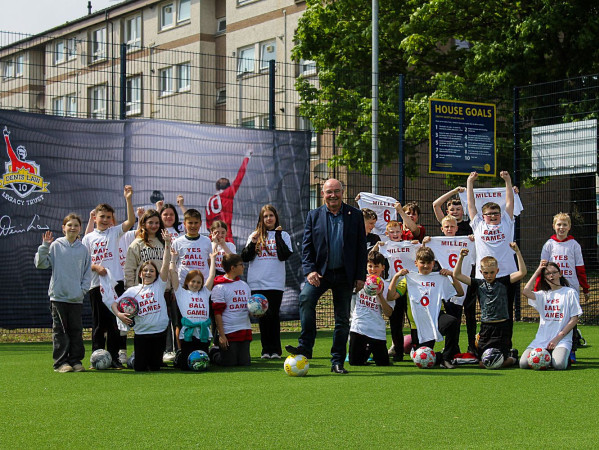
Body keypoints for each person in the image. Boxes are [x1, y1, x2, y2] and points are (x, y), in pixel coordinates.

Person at [285, 178, 367, 374]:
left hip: (345, 275)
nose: (333, 195)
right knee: (305, 298)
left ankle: (337, 361)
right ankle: (305, 347)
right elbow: (307, 247)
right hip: (320, 274)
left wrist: (360, 276)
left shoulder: (355, 215)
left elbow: (360, 248)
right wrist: (310, 270)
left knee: (341, 319)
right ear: (323, 194)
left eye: (336, 191)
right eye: (329, 192)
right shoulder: (313, 216)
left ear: (342, 192)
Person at [82, 186, 135, 369]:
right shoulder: (88, 238)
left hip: (115, 283)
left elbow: (130, 221)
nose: (104, 220)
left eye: (108, 217)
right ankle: (96, 356)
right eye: (101, 216)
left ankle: (113, 358)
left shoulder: (114, 233)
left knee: (114, 322)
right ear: (95, 218)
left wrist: (128, 199)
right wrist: (96, 267)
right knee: (99, 323)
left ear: (111, 220)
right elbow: (83, 262)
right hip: (96, 284)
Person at [388, 247, 464, 369]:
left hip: (435, 318)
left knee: (452, 322)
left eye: (429, 263)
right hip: (418, 326)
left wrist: (452, 275)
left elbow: (460, 293)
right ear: (416, 263)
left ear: (433, 263)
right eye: (422, 262)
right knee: (422, 360)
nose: (425, 266)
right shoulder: (408, 279)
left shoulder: (439, 277)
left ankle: (446, 358)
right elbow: (391, 297)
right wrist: (396, 276)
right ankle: (437, 356)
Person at [34, 214, 92, 373]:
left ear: (80, 228)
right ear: (63, 228)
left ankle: (75, 361)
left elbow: (87, 273)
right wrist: (44, 246)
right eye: (69, 225)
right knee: (60, 331)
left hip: (76, 299)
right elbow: (41, 264)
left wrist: (82, 291)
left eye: (76, 225)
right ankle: (60, 363)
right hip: (58, 297)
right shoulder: (55, 246)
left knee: (76, 331)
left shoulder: (83, 249)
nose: (72, 228)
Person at [453, 244, 526, 368]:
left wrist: (517, 252)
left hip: (502, 326)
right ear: (481, 272)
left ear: (497, 271)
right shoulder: (478, 283)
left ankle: (512, 357)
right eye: (486, 273)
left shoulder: (504, 281)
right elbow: (457, 275)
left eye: (492, 272)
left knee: (501, 362)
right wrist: (461, 257)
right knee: (483, 363)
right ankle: (481, 344)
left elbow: (522, 272)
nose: (489, 275)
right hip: (486, 326)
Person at [467, 170, 518, 343]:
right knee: (486, 313)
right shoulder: (478, 225)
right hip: (484, 277)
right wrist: (470, 183)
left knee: (507, 312)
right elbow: (471, 204)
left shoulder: (506, 222)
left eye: (496, 213)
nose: (494, 216)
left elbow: (510, 202)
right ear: (484, 216)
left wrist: (508, 181)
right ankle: (485, 344)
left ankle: (506, 344)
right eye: (490, 214)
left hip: (506, 275)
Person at [112, 229, 173, 372]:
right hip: (141, 334)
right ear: (140, 274)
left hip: (159, 333)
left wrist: (168, 244)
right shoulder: (133, 291)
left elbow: (165, 264)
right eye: (145, 270)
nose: (148, 273)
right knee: (140, 368)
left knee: (155, 367)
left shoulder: (159, 285)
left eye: (152, 271)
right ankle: (135, 358)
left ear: (156, 274)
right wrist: (119, 314)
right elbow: (115, 303)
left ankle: (149, 358)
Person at [241, 205, 293, 359]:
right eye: (265, 216)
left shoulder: (283, 235)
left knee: (274, 316)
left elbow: (284, 255)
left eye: (271, 215)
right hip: (257, 283)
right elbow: (244, 257)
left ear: (276, 217)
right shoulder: (254, 235)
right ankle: (266, 350)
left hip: (275, 283)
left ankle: (275, 350)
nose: (269, 218)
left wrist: (277, 235)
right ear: (261, 219)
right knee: (262, 316)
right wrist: (253, 243)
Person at [538, 212, 589, 362]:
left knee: (571, 320)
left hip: (571, 289)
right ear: (554, 226)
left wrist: (585, 288)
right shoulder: (549, 244)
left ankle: (571, 350)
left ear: (569, 227)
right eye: (559, 224)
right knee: (554, 317)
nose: (561, 227)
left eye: (564, 225)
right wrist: (538, 288)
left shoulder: (574, 245)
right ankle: (549, 345)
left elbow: (580, 268)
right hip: (553, 289)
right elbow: (542, 268)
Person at [422, 215, 477, 353]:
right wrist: (424, 244)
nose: (449, 229)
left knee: (471, 315)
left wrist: (474, 240)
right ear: (442, 228)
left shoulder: (467, 241)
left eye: (452, 226)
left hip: (465, 281)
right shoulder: (436, 242)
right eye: (446, 227)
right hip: (447, 284)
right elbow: (424, 257)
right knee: (454, 318)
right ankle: (453, 348)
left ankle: (472, 347)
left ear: (457, 228)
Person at [521, 261, 583, 370]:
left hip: (561, 340)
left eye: (554, 272)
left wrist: (557, 339)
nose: (551, 275)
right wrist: (537, 271)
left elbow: (574, 319)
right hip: (541, 339)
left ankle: (560, 356)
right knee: (523, 363)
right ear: (544, 278)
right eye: (548, 274)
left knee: (559, 365)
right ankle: (548, 355)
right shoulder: (543, 294)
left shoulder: (570, 293)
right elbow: (526, 291)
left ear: (560, 274)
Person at [373, 220, 420, 361]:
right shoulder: (385, 246)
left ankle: (417, 349)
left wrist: (420, 244)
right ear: (387, 234)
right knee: (395, 320)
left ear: (402, 232)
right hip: (394, 286)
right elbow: (371, 257)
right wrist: (377, 246)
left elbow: (426, 251)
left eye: (397, 231)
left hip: (411, 285)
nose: (395, 234)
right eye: (391, 232)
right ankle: (398, 351)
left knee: (414, 319)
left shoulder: (411, 245)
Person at [170, 246, 217, 370]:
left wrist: (212, 259)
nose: (195, 284)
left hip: (203, 333)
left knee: (203, 364)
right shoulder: (181, 293)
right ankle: (179, 358)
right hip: (188, 334)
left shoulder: (205, 293)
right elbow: (173, 273)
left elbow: (212, 276)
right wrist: (173, 259)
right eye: (193, 281)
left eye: (198, 282)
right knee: (186, 365)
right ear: (187, 282)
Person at [349, 251, 394, 366]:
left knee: (383, 363)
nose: (373, 269)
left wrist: (380, 295)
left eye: (376, 266)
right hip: (358, 327)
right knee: (355, 363)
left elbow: (388, 313)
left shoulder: (387, 286)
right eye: (370, 266)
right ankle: (365, 350)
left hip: (376, 329)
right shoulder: (359, 281)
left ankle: (369, 349)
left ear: (383, 267)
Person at [210, 254, 253, 366]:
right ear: (232, 268)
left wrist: (255, 313)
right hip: (229, 332)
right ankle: (213, 352)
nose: (243, 267)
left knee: (245, 363)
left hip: (244, 330)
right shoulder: (219, 287)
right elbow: (217, 313)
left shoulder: (244, 285)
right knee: (229, 363)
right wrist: (222, 335)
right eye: (241, 265)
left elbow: (249, 307)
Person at [205, 149, 252, 243]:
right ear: (228, 187)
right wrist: (247, 157)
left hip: (213, 238)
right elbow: (240, 176)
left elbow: (207, 224)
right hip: (226, 237)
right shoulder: (227, 194)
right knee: (231, 257)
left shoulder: (210, 200)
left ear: (217, 187)